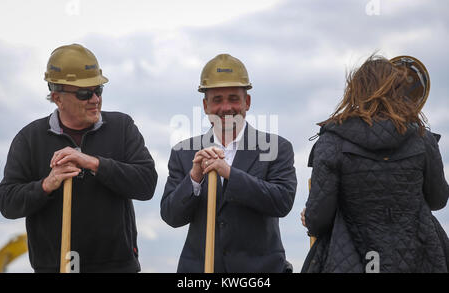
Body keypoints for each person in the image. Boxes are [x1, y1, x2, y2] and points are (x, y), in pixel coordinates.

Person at [0, 44, 158, 272]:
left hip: (117, 268)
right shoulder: (29, 139)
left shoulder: (122, 127)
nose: (95, 99)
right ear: (57, 98)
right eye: (84, 93)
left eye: (98, 90)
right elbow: (7, 203)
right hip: (55, 268)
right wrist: (46, 185)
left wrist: (93, 163)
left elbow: (146, 184)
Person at [301, 55, 449, 273]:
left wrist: (310, 217)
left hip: (350, 259)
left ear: (356, 91)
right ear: (398, 90)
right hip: (420, 259)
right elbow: (438, 199)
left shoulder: (331, 140)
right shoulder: (423, 138)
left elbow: (319, 220)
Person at [161, 54, 297, 272]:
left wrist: (230, 174)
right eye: (217, 100)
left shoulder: (276, 147)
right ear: (205, 106)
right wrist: (194, 178)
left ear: (247, 102)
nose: (226, 108)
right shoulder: (183, 152)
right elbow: (171, 216)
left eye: (233, 98)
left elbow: (282, 202)